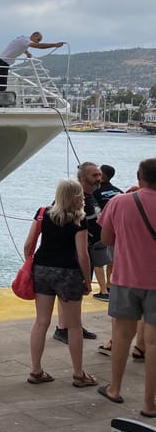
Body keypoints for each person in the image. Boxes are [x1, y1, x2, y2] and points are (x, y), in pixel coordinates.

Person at [96, 157, 156, 417]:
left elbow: (106, 238)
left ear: (138, 176)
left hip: (125, 278)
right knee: (153, 345)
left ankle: (115, 389)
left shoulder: (119, 202)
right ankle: (149, 405)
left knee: (121, 336)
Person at [23, 179, 96, 387]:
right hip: (68, 273)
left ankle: (36, 370)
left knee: (41, 322)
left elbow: (29, 245)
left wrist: (29, 266)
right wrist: (87, 280)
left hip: (43, 269)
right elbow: (83, 255)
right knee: (74, 326)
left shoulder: (42, 213)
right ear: (76, 196)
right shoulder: (79, 220)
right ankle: (78, 374)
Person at [54, 162, 102, 340]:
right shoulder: (72, 199)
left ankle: (73, 325)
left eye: (99, 175)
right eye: (94, 175)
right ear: (82, 178)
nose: (98, 178)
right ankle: (64, 327)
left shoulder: (91, 196)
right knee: (68, 292)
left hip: (88, 248)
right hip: (73, 253)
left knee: (75, 294)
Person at [0, 32, 64, 95]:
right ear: (33, 36)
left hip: (2, 60)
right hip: (2, 61)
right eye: (38, 39)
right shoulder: (25, 40)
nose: (38, 42)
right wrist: (54, 45)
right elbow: (38, 46)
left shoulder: (23, 39)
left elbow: (17, 46)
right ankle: (1, 103)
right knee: (1, 84)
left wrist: (26, 52)